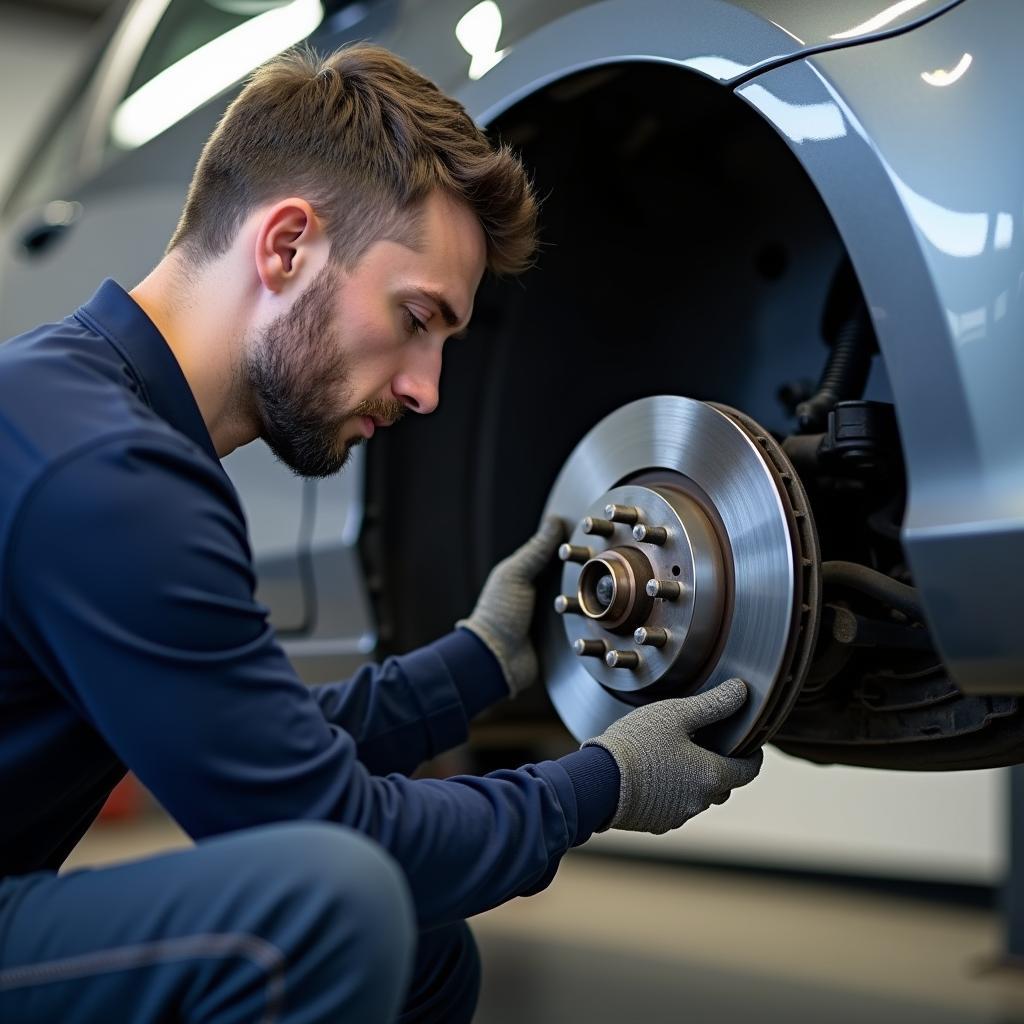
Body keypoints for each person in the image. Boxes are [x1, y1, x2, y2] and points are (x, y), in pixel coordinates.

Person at [0, 43, 762, 1023]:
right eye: (415, 318)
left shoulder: (88, 412)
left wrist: (479, 662)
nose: (426, 388)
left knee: (416, 945)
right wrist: (602, 784)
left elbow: (254, 747)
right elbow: (320, 821)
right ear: (285, 247)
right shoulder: (108, 470)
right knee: (338, 903)